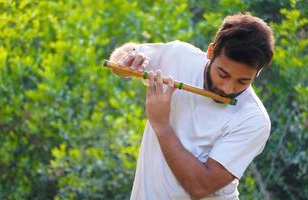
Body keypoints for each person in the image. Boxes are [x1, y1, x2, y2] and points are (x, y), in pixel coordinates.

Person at [109, 13, 274, 200]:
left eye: (243, 81)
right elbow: (116, 63)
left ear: (257, 74)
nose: (228, 88)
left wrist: (162, 126)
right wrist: (128, 58)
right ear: (211, 52)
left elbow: (200, 187)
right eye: (223, 74)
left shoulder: (253, 119)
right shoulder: (178, 55)